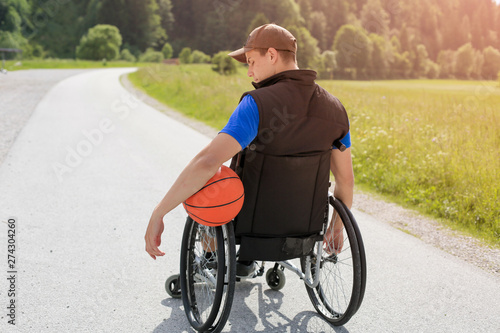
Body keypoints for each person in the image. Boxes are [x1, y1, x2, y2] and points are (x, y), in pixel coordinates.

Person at [145, 24, 353, 263]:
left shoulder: (256, 104)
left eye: (252, 61)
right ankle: (245, 262)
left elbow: (207, 162)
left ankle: (212, 258)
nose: (249, 72)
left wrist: (159, 212)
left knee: (212, 179)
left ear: (272, 55)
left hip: (250, 223)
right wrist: (337, 227)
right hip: (306, 224)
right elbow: (345, 180)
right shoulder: (336, 110)